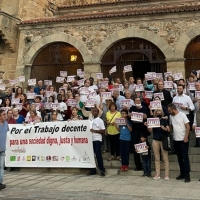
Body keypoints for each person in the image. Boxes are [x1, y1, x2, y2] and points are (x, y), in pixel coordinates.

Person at [168, 103, 191, 183]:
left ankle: (187, 174)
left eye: (170, 110)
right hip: (176, 139)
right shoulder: (171, 116)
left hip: (183, 139)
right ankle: (182, 173)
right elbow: (171, 126)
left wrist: (186, 136)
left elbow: (188, 126)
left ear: (174, 109)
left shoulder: (182, 115)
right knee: (179, 158)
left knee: (185, 157)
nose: (169, 112)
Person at [146, 109, 170, 180]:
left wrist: (164, 128)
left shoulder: (164, 120)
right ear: (155, 114)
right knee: (157, 158)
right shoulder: (153, 121)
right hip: (155, 140)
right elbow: (150, 131)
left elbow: (168, 129)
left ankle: (166, 175)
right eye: (157, 113)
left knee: (165, 158)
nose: (158, 114)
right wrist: (148, 126)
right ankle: (157, 174)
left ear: (162, 114)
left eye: (160, 113)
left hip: (163, 140)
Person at [129, 97, 149, 171]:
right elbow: (129, 115)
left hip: (142, 130)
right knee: (135, 149)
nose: (137, 101)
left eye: (139, 100)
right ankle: (138, 165)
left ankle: (146, 166)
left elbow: (146, 116)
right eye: (136, 100)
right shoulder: (132, 108)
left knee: (144, 148)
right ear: (134, 102)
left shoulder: (144, 108)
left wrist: (139, 115)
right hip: (134, 130)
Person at [88, 107, 105, 176]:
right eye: (93, 111)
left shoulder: (100, 121)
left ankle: (102, 170)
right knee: (92, 156)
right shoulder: (90, 120)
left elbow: (103, 131)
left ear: (98, 112)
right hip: (90, 140)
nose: (94, 112)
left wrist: (95, 131)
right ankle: (93, 170)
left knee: (98, 155)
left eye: (95, 111)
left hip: (97, 139)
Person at [0, 109, 9, 190]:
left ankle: (0, 182)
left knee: (1, 166)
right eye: (3, 114)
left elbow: (9, 130)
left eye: (5, 114)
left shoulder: (6, 123)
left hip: (3, 148)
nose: (5, 116)